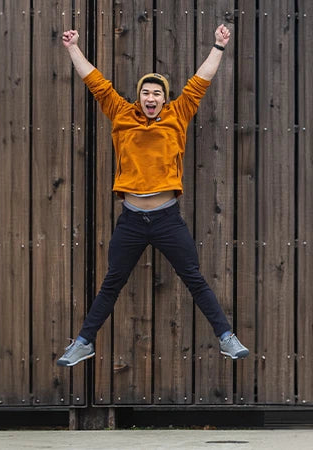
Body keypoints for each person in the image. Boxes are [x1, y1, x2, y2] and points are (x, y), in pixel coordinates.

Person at [54, 24, 250, 367]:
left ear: (165, 98)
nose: (150, 98)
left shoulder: (179, 113)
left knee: (194, 278)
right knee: (112, 283)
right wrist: (73, 48)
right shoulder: (120, 113)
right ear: (138, 96)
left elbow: (200, 80)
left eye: (156, 94)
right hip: (131, 220)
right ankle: (84, 342)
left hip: (166, 218)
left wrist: (219, 46)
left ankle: (226, 338)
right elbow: (95, 81)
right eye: (145, 93)